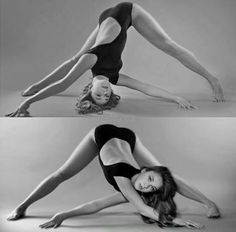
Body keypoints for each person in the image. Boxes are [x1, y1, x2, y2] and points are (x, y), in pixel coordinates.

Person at [6, 2, 224, 116]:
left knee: (170, 47)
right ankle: (213, 79)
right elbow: (147, 88)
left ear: (89, 89)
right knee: (169, 47)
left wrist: (29, 100)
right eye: (107, 95)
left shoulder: (90, 60)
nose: (105, 90)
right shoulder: (115, 77)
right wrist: (177, 99)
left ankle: (210, 78)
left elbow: (63, 84)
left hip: (116, 14)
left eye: (98, 94)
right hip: (129, 15)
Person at [7, 124, 220, 228]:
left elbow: (96, 205)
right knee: (61, 174)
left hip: (122, 141)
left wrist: (63, 215)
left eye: (151, 190)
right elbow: (143, 208)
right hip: (104, 133)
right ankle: (22, 206)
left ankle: (209, 203)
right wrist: (179, 221)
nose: (147, 187)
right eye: (150, 181)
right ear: (145, 169)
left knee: (165, 177)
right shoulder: (127, 177)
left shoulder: (129, 189)